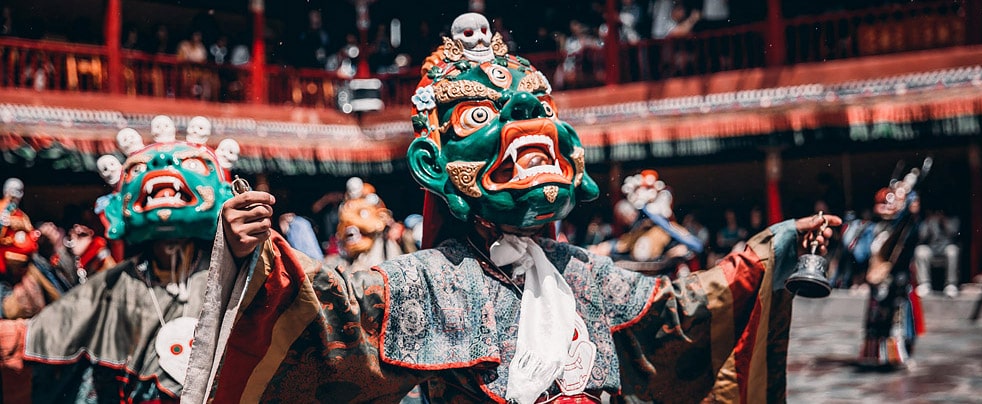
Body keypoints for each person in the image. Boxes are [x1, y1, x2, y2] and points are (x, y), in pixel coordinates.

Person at [184, 13, 839, 403]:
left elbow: (678, 320)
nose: (525, 123)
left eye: (538, 111)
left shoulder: (579, 271)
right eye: (479, 115)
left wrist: (772, 249)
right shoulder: (423, 281)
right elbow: (325, 317)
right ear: (434, 164)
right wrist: (252, 257)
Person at [15, 124, 239, 402]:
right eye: (137, 169)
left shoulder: (230, 273)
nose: (161, 165)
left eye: (192, 163)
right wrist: (15, 338)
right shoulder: (118, 281)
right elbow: (57, 324)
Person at [855, 167, 927, 370]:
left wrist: (910, 206)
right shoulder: (871, 229)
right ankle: (875, 356)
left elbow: (912, 236)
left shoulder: (904, 226)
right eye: (883, 205)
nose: (887, 208)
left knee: (900, 321)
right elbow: (862, 254)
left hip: (899, 280)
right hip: (878, 281)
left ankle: (899, 355)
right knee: (876, 322)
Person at [913, 207, 961, 297]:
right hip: (932, 250)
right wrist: (928, 221)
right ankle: (924, 284)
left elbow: (954, 232)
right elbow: (921, 236)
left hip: (946, 248)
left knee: (953, 250)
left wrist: (943, 221)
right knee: (921, 250)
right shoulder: (930, 220)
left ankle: (951, 285)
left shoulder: (953, 219)